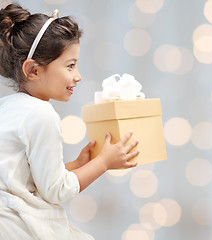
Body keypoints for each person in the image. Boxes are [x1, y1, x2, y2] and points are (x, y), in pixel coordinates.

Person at [0, 3, 139, 239]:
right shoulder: (41, 114)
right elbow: (55, 190)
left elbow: (29, 178)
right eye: (70, 65)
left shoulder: (8, 106)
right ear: (33, 70)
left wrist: (78, 164)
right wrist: (103, 163)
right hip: (18, 225)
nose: (78, 76)